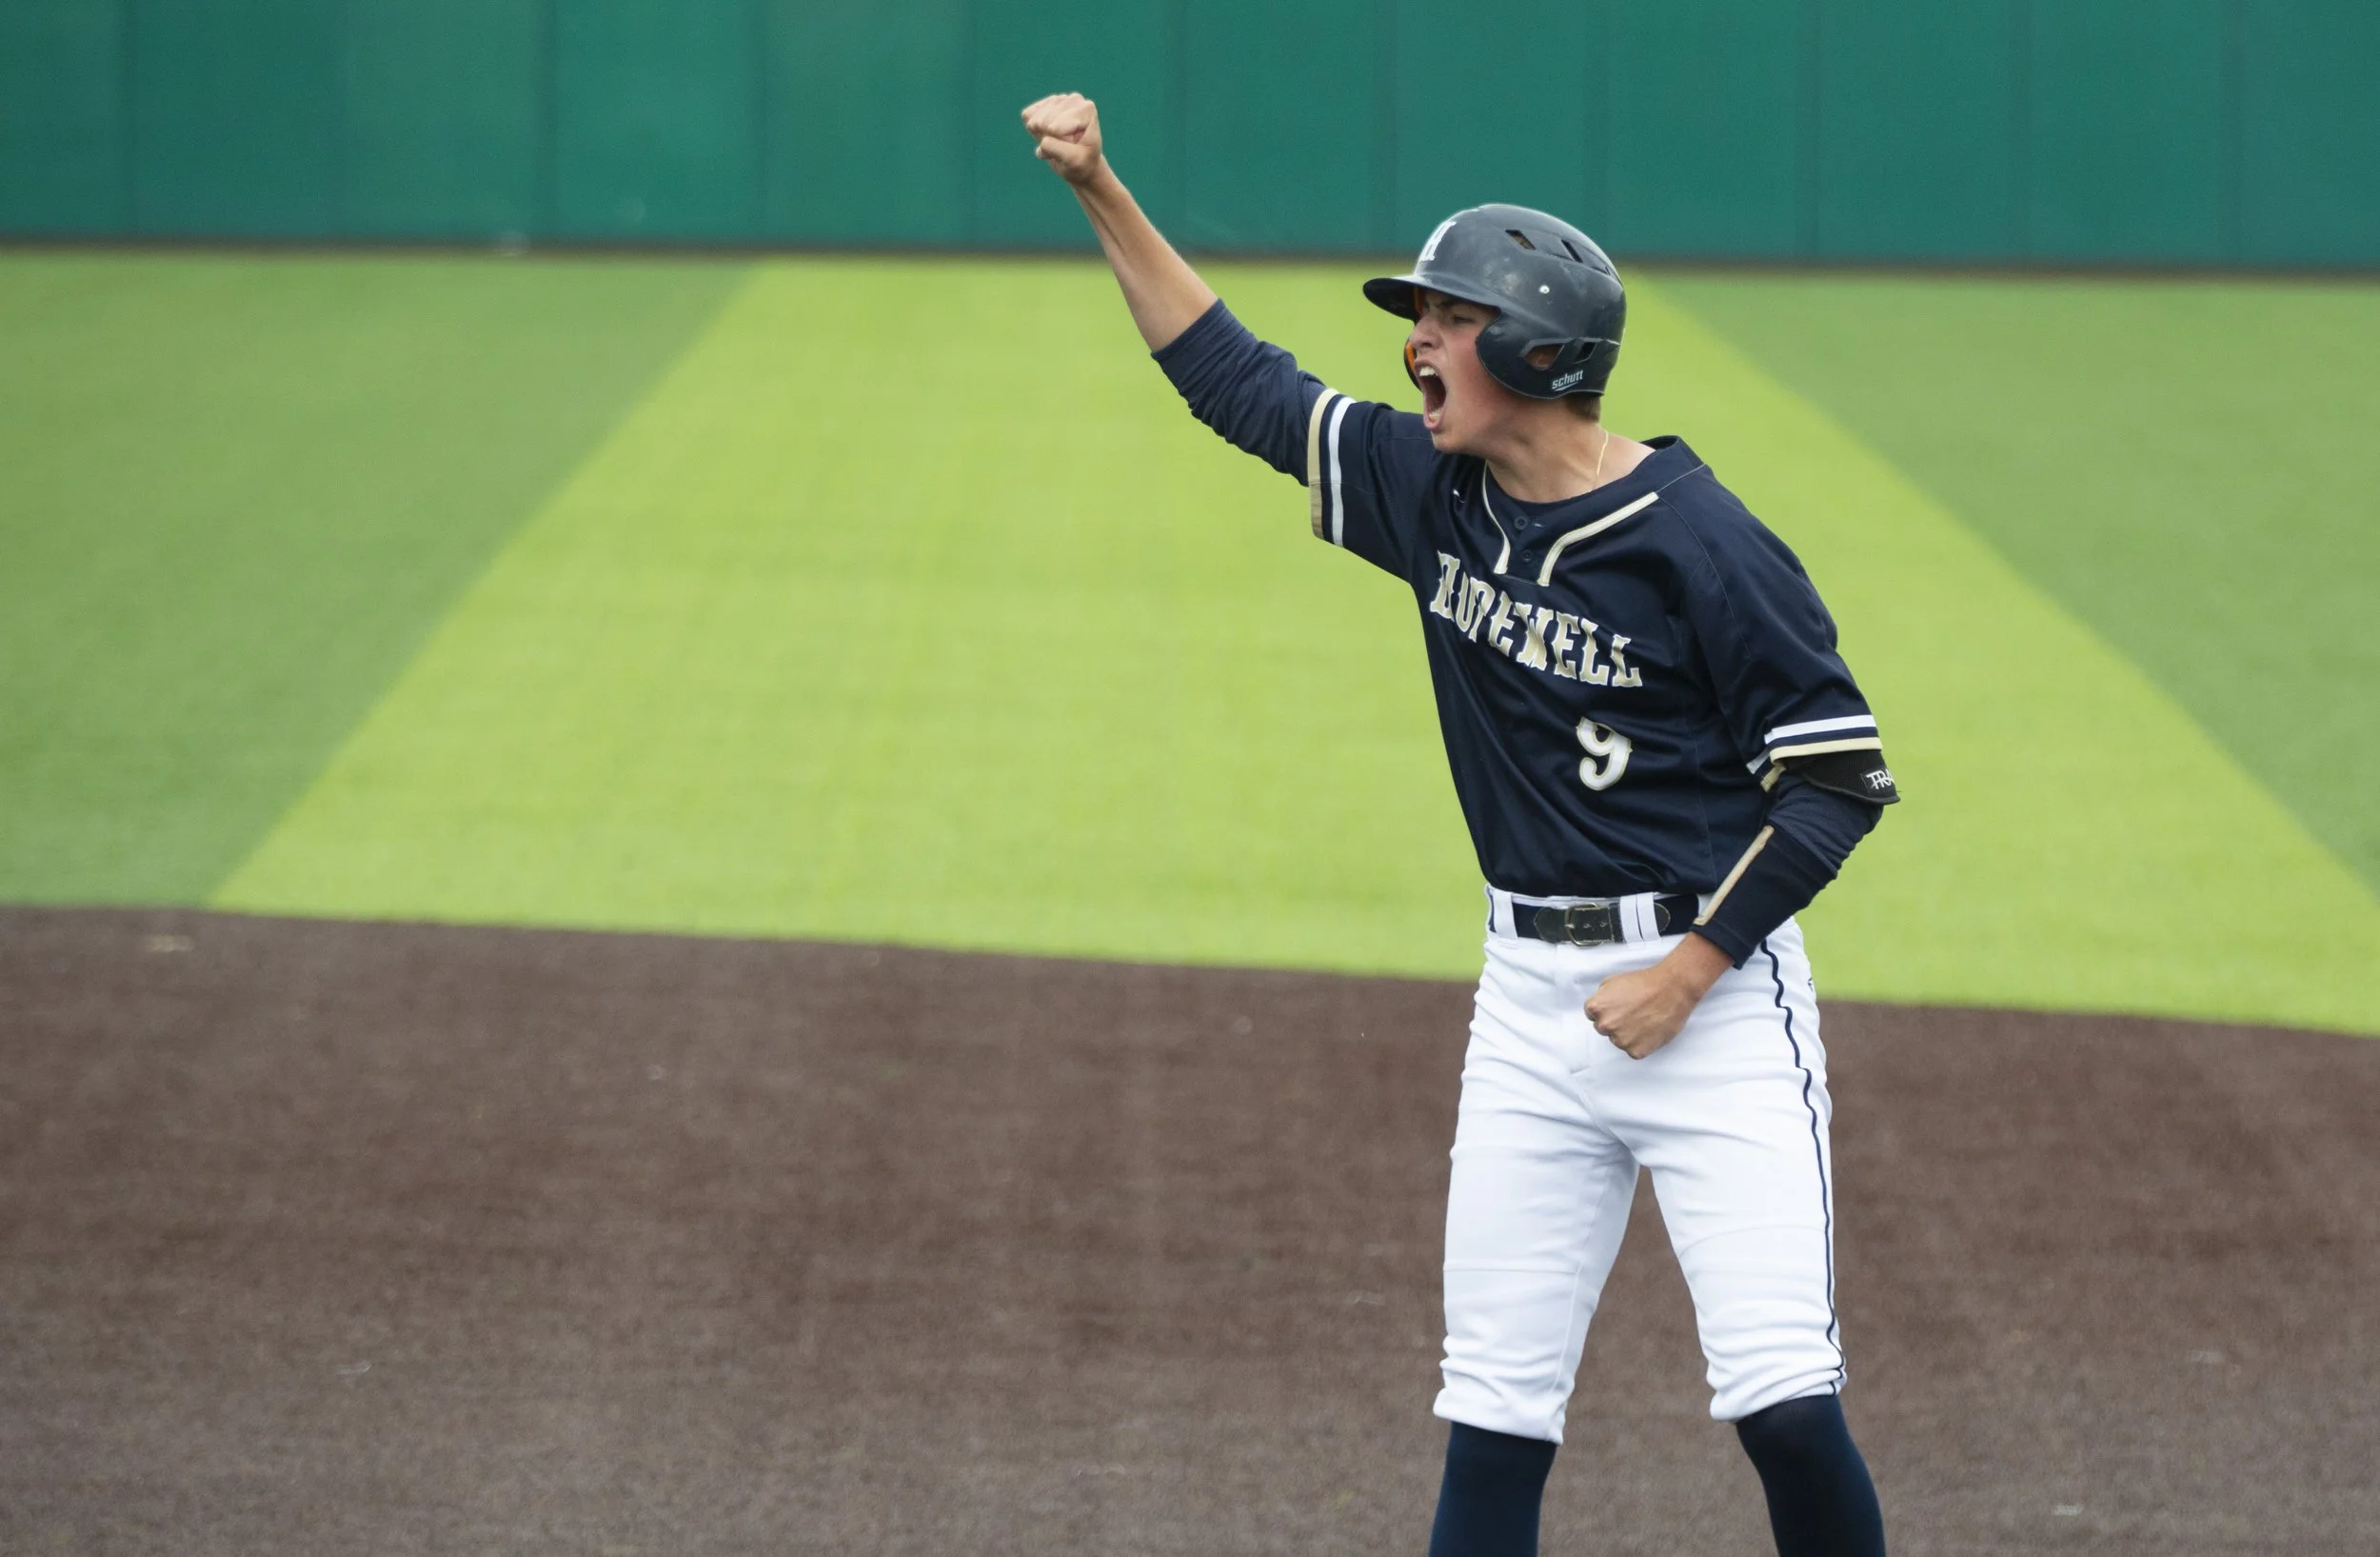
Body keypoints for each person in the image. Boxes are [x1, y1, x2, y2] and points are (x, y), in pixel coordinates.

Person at [1021, 90, 1897, 1557]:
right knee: (1494, 1417)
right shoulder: (1434, 494)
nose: (1416, 340)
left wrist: (1692, 970)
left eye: (1450, 315)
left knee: (1782, 1400)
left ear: (1541, 351)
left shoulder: (1704, 543)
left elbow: (1835, 780)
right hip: (1530, 1013)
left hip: (1717, 1006)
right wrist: (1102, 187)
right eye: (1419, 315)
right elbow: (1235, 381)